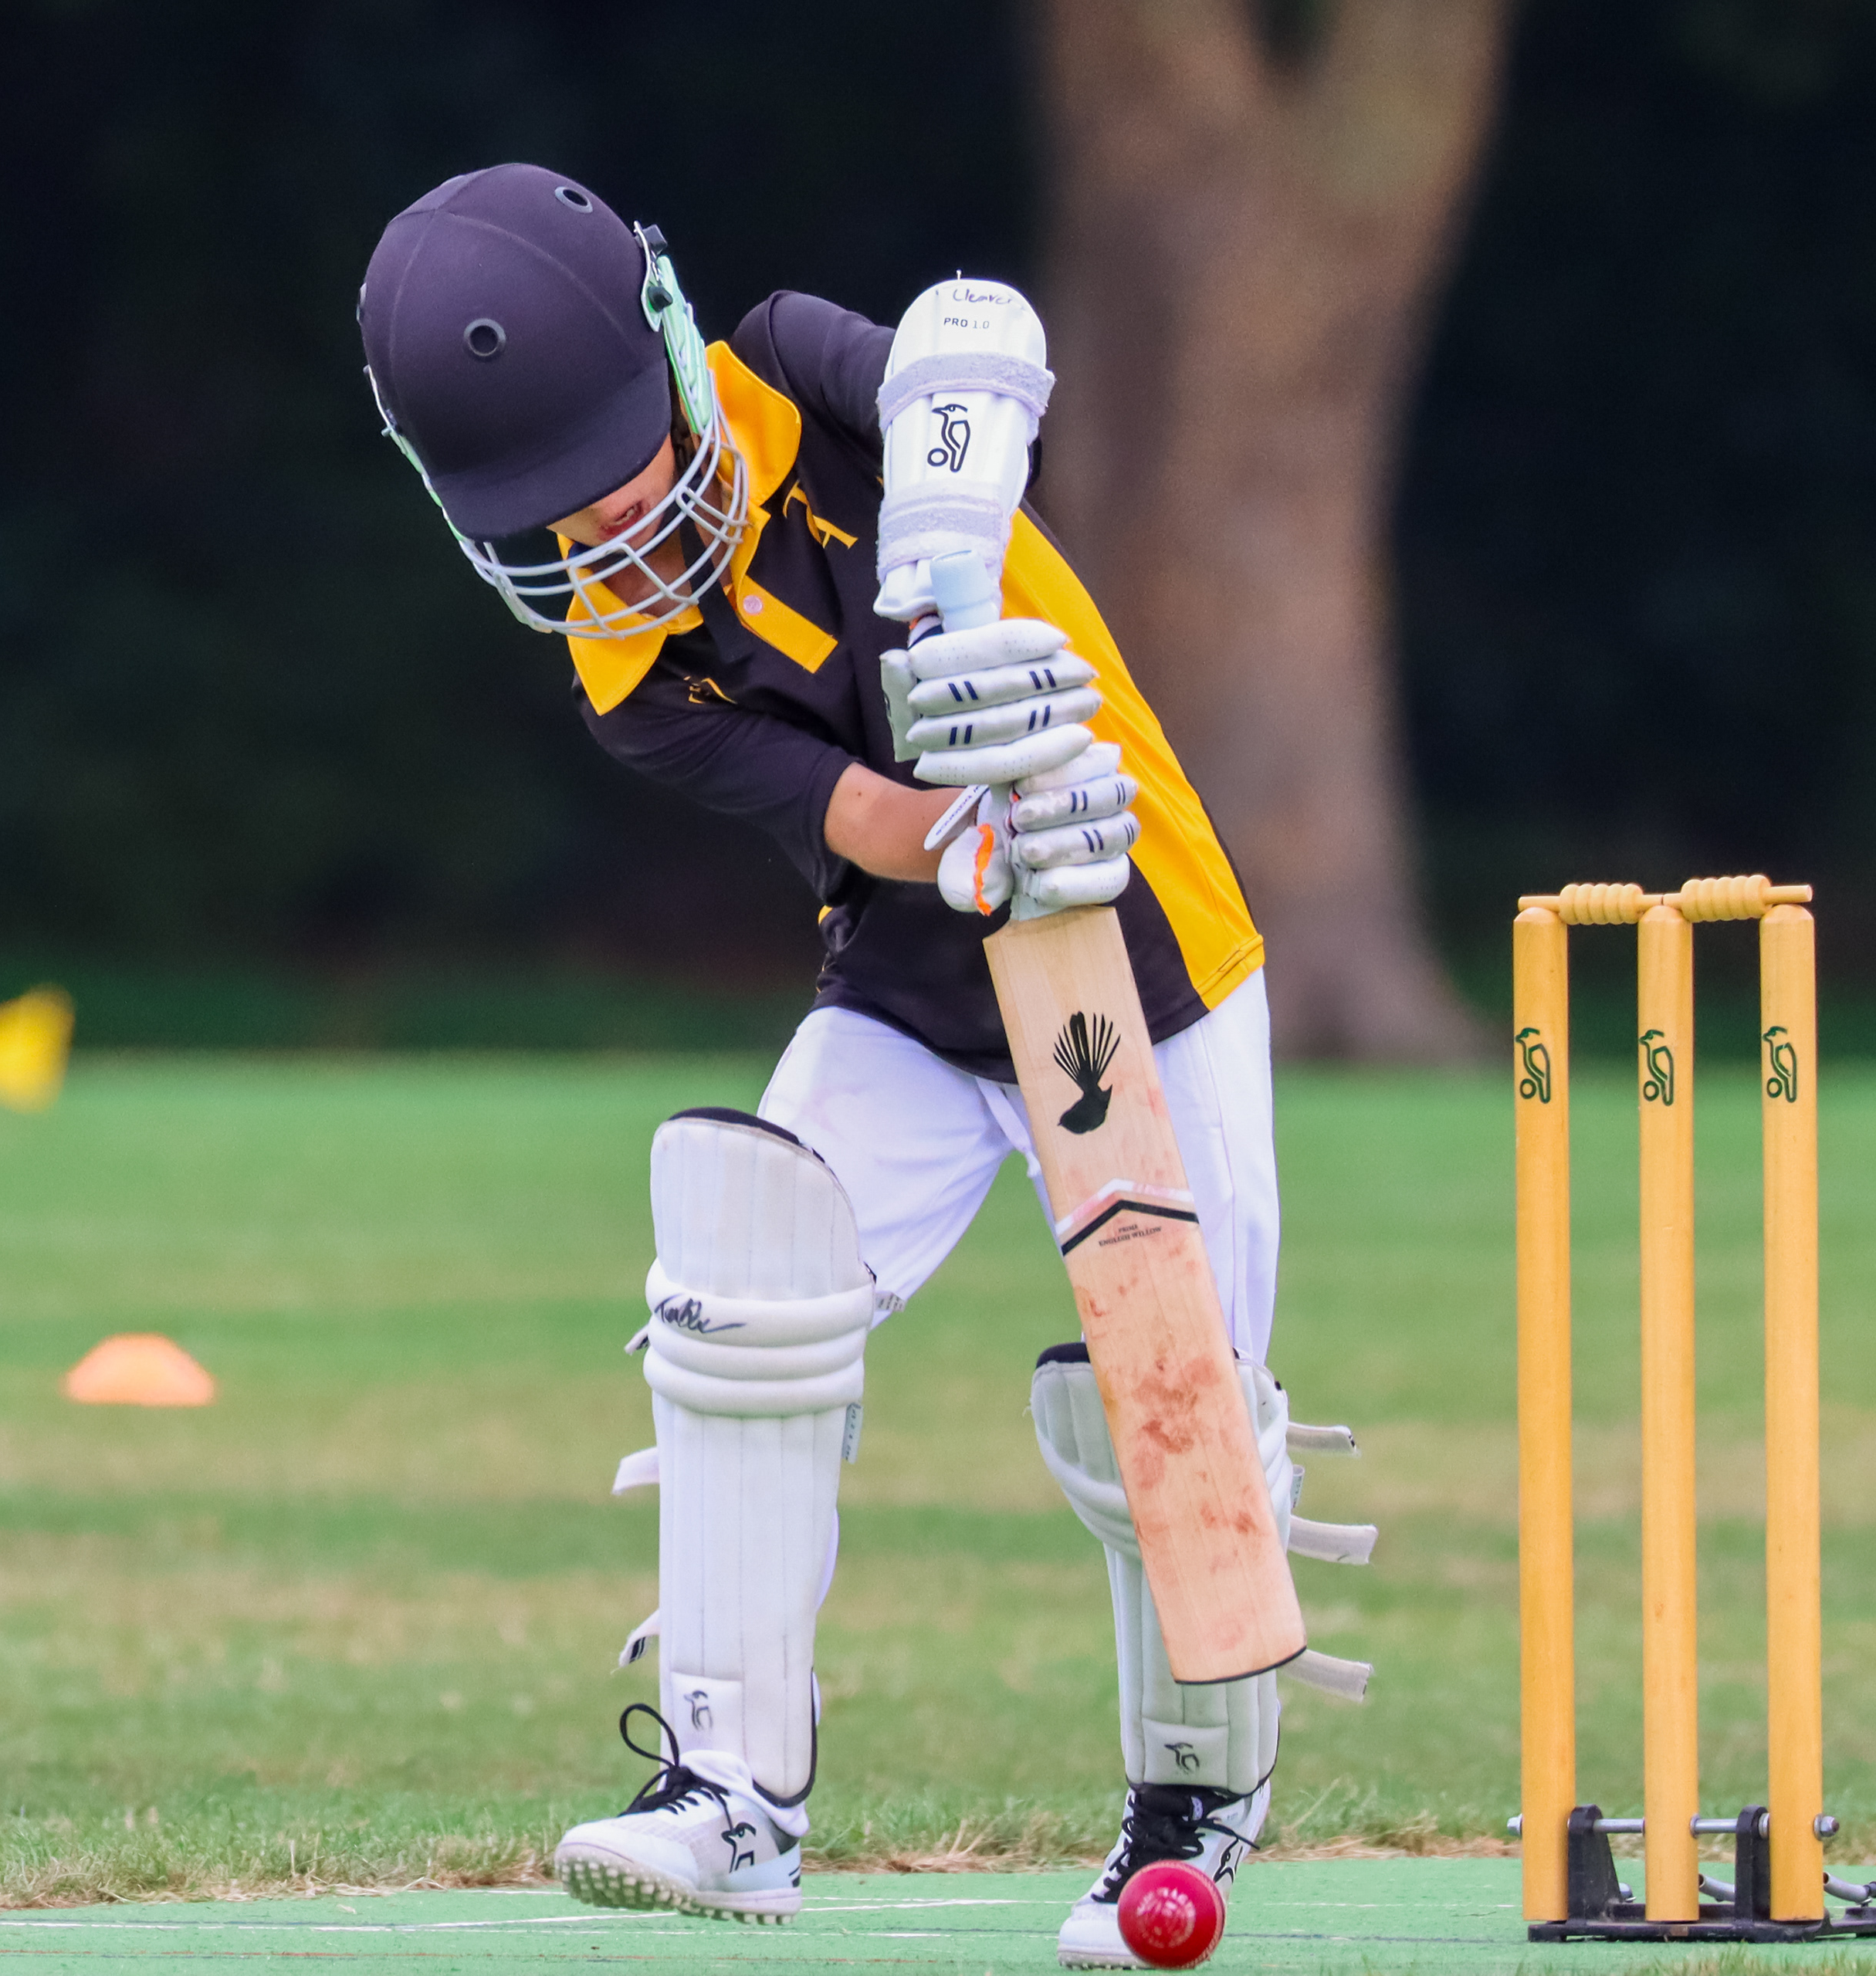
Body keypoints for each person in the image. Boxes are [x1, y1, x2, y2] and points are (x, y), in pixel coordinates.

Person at [356, 164, 1365, 1964]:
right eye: (554, 512)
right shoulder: (625, 667)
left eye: (617, 468)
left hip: (1149, 962)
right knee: (741, 1289)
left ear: (669, 356)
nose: (608, 529)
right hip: (912, 981)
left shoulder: (789, 366)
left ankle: (1194, 1797)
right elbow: (855, 815)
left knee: (1173, 1388)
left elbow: (977, 346)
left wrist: (951, 558)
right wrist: (968, 836)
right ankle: (732, 1795)